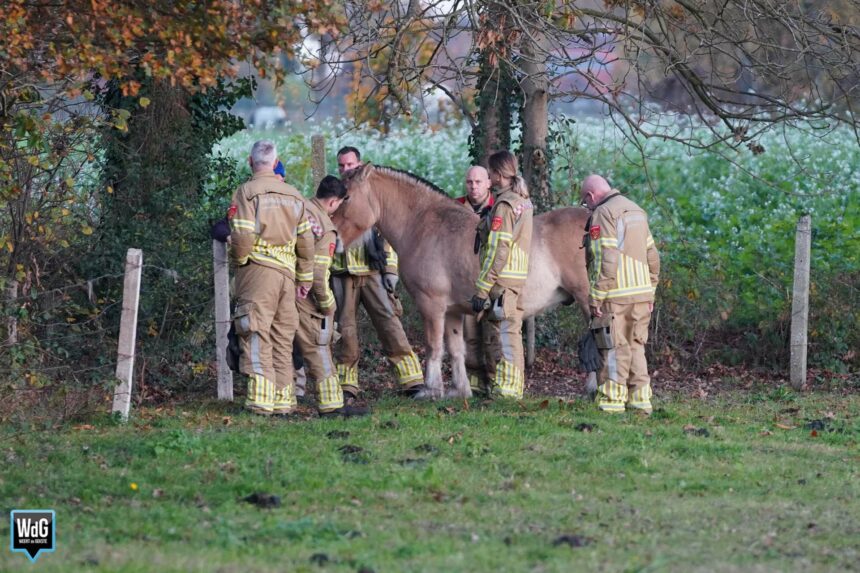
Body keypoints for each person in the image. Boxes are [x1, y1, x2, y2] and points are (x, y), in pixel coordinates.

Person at [228, 140, 315, 416]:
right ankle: (284, 400)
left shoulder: (247, 192)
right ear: (276, 162)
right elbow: (306, 240)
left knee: (255, 330)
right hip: (287, 276)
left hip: (259, 271)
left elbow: (242, 236)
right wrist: (305, 277)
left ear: (250, 162)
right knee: (282, 336)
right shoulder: (294, 195)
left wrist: (240, 261)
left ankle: (261, 401)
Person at [332, 146, 425, 400]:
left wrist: (391, 271)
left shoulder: (372, 193)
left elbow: (388, 233)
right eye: (341, 165)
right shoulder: (334, 194)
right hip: (342, 273)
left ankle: (413, 382)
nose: (345, 170)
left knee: (390, 325)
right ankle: (346, 386)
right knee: (345, 332)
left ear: (359, 164)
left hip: (372, 273)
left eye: (350, 165)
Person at [580, 174, 660, 414]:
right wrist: (651, 291)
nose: (587, 207)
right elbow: (653, 256)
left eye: (586, 203)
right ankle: (640, 400)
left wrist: (596, 296)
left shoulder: (603, 213)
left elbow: (607, 258)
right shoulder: (637, 211)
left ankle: (612, 401)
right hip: (642, 294)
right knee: (636, 346)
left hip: (616, 295)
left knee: (614, 347)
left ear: (591, 196)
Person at [295, 176, 369, 417]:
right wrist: (328, 304)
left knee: (280, 346)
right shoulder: (324, 228)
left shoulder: (298, 207)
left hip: (278, 287)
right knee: (318, 345)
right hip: (303, 294)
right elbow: (318, 273)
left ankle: (279, 403)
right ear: (334, 202)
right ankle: (332, 404)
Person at [470, 151, 533, 399]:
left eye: (490, 173)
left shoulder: (505, 205)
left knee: (504, 335)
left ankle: (508, 390)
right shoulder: (522, 200)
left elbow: (498, 248)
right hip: (515, 277)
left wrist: (482, 287)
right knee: (511, 333)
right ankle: (510, 387)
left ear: (497, 174)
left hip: (502, 279)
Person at [455, 166, 495, 394]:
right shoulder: (455, 207)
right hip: (464, 279)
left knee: (492, 333)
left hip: (492, 278)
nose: (474, 186)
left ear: (489, 183)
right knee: (469, 333)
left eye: (479, 182)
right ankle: (474, 381)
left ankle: (494, 378)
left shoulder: (500, 206)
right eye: (469, 182)